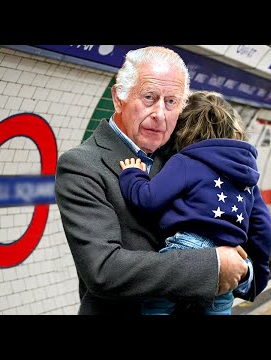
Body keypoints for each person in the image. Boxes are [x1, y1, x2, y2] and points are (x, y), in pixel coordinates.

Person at [54, 46, 250, 315]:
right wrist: (213, 266)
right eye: (149, 97)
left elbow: (225, 231)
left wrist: (244, 271)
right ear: (119, 98)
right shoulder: (82, 165)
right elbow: (104, 270)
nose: (160, 114)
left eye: (171, 102)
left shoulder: (183, 154)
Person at [119, 90, 271, 315]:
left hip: (188, 247)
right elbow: (264, 229)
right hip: (230, 252)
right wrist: (255, 275)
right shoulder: (246, 174)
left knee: (157, 304)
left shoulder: (185, 161)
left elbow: (148, 199)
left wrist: (133, 174)